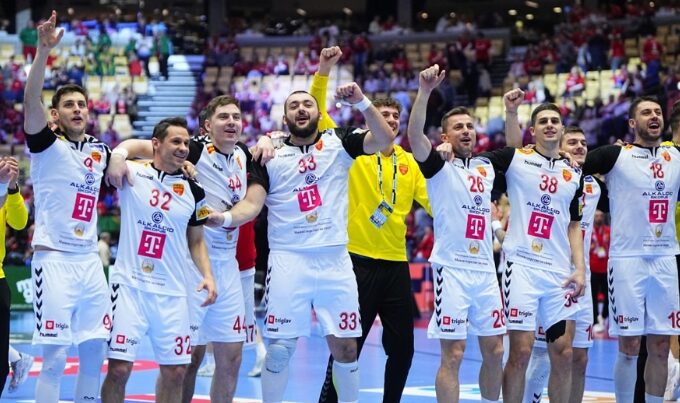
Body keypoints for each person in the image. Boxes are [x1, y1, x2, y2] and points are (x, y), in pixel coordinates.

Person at [208, 83, 395, 402]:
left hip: (335, 259)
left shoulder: (340, 141)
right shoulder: (267, 155)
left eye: (307, 104)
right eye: (293, 106)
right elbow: (252, 204)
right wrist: (224, 218)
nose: (301, 109)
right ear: (285, 119)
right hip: (288, 261)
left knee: (347, 350)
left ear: (319, 114)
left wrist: (362, 102)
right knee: (279, 350)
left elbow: (384, 138)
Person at [105, 96, 274, 402]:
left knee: (232, 357)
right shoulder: (193, 148)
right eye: (223, 117)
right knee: (188, 359)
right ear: (207, 125)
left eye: (236, 117)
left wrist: (268, 138)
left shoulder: (245, 155)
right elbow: (143, 147)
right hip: (189, 266)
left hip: (229, 266)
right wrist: (118, 154)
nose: (232, 122)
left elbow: (254, 203)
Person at [312, 46, 431, 403]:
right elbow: (318, 115)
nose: (391, 121)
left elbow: (437, 204)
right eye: (384, 115)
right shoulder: (350, 153)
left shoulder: (410, 163)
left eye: (395, 116)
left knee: (403, 349)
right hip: (355, 262)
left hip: (395, 264)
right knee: (348, 348)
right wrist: (323, 70)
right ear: (371, 119)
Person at [23, 11, 111, 402]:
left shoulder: (100, 150)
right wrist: (43, 51)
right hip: (54, 260)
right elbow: (30, 101)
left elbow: (137, 152)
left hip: (90, 262)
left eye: (82, 104)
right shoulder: (46, 146)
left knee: (94, 354)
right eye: (69, 105)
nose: (78, 109)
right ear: (56, 115)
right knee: (56, 359)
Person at [479, 92, 586, 403]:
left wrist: (579, 269)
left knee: (564, 352)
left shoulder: (573, 172)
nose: (550, 125)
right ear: (533, 130)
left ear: (562, 129)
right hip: (522, 267)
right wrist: (511, 112)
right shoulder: (519, 160)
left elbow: (574, 225)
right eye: (543, 122)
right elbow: (503, 153)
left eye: (555, 121)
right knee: (521, 352)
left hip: (558, 271)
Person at [100, 117, 217, 403]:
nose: (183, 148)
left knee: (176, 372)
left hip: (173, 292)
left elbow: (197, 241)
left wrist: (208, 275)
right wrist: (118, 155)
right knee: (118, 369)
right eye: (176, 141)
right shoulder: (132, 173)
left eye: (186, 142)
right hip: (130, 288)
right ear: (155, 143)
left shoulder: (195, 190)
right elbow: (122, 151)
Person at [407, 65, 506, 403]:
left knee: (496, 350)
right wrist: (425, 92)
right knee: (454, 353)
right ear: (445, 136)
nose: (466, 131)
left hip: (486, 271)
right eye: (458, 127)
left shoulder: (487, 166)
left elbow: (522, 155)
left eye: (469, 126)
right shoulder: (438, 166)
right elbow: (415, 136)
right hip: (452, 269)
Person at [582, 96, 680, 403]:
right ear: (632, 123)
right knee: (629, 347)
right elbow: (572, 165)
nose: (654, 116)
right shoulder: (615, 155)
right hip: (627, 260)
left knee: (661, 347)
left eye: (658, 112)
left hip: (665, 258)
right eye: (646, 112)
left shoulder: (676, 156)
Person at [0, 156, 34, 395]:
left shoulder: (4, 193)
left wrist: (11, 187)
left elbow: (20, 223)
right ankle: (16, 357)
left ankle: (13, 357)